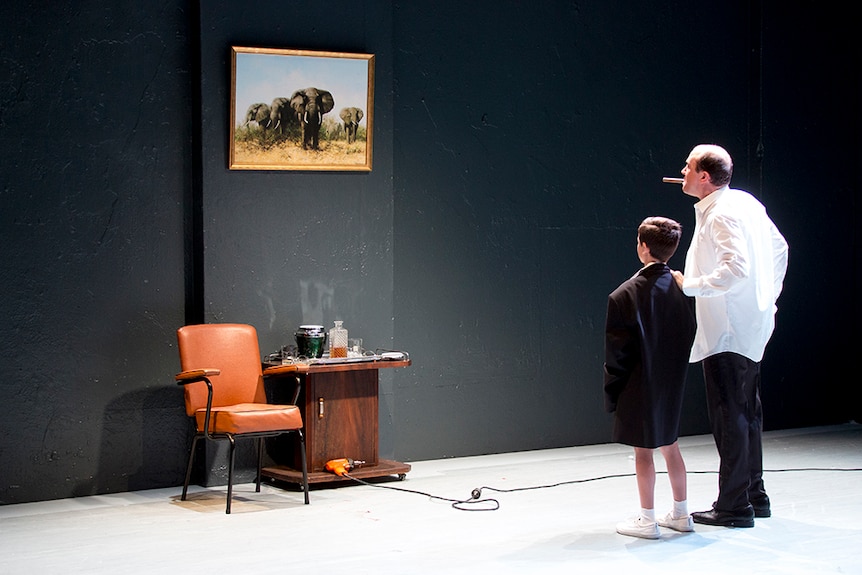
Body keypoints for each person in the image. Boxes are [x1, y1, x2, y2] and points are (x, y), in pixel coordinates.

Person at [671, 144, 789, 528]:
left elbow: (735, 267)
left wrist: (692, 286)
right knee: (746, 412)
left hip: (728, 327)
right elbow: (779, 248)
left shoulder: (721, 212)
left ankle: (734, 506)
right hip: (748, 322)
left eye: (688, 167)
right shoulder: (745, 203)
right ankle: (753, 494)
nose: (683, 172)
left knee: (731, 415)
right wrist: (765, 297)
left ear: (704, 177)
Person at [604, 216, 697, 539]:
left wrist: (612, 391)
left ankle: (647, 518)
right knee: (671, 446)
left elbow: (617, 354)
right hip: (671, 381)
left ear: (642, 247)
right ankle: (682, 513)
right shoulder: (684, 287)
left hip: (637, 384)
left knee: (643, 452)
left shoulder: (623, 295)